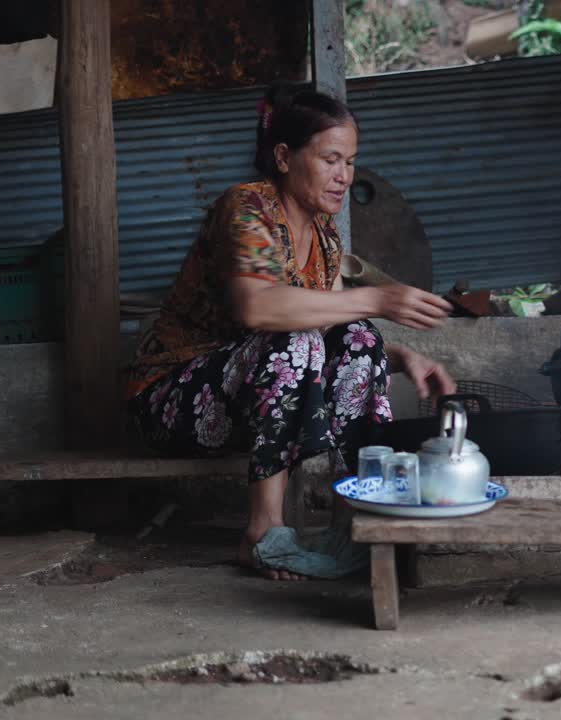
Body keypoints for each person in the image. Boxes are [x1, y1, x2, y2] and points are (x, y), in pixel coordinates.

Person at [127, 85, 456, 580]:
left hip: (250, 400)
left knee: (362, 340)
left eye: (350, 161)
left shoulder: (325, 235)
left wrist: (398, 355)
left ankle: (363, 516)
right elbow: (259, 308)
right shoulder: (246, 207)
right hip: (173, 400)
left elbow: (334, 325)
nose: (344, 176)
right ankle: (262, 532)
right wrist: (379, 298)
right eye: (330, 159)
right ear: (283, 157)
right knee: (295, 340)